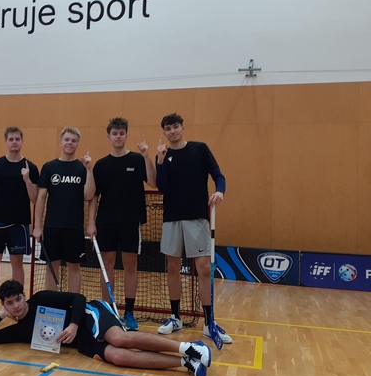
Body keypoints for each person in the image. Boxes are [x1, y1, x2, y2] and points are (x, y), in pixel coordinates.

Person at [0, 280, 212, 376]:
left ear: (24, 296)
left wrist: (73, 324)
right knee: (118, 356)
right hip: (82, 342)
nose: (16, 306)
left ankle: (189, 347)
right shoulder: (18, 330)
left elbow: (78, 298)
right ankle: (186, 363)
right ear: (5, 305)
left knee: (119, 338)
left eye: (18, 299)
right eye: (10, 303)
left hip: (88, 315)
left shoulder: (41, 298)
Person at [155, 113, 232, 343]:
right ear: (164, 132)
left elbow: (218, 175)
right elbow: (162, 187)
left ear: (182, 127)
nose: (172, 131)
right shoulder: (163, 155)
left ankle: (209, 323)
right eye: (168, 128)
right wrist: (160, 162)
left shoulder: (200, 149)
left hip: (197, 217)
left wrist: (220, 191)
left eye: (175, 126)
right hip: (171, 218)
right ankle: (175, 318)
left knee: (204, 269)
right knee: (172, 268)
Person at [87, 117, 156, 331]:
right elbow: (93, 196)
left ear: (126, 135)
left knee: (130, 266)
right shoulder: (101, 165)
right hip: (106, 222)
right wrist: (90, 222)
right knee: (107, 267)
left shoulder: (137, 159)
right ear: (108, 136)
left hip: (130, 221)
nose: (118, 136)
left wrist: (147, 157)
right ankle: (108, 311)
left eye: (121, 133)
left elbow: (153, 182)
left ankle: (130, 313)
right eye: (114, 133)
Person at [0, 127, 40, 319]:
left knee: (17, 264)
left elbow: (35, 198)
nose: (14, 142)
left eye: (17, 139)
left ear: (22, 141)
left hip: (18, 224)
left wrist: (27, 180)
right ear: (6, 141)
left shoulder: (31, 168)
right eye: (11, 139)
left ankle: (18, 304)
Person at [33, 127, 95, 293]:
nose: (70, 143)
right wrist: (37, 226)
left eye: (73, 141)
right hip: (52, 226)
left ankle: (73, 303)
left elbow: (89, 195)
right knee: (51, 266)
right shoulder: (49, 167)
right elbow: (41, 198)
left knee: (74, 267)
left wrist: (89, 170)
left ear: (77, 144)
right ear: (61, 143)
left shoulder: (83, 168)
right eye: (67, 140)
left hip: (74, 226)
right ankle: (52, 303)